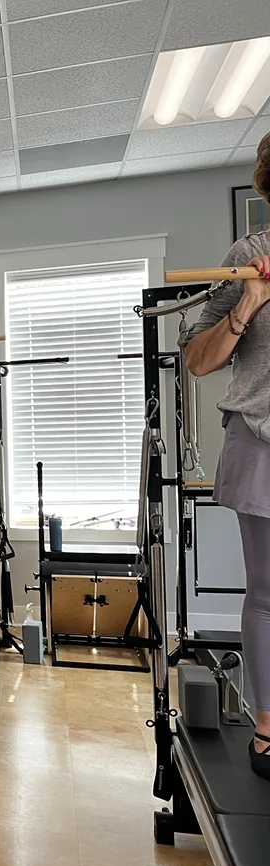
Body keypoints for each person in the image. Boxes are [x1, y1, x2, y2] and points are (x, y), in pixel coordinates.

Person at [183, 133, 270, 779]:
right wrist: (249, 303)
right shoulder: (251, 255)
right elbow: (197, 358)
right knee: (268, 592)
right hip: (262, 436)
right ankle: (269, 728)